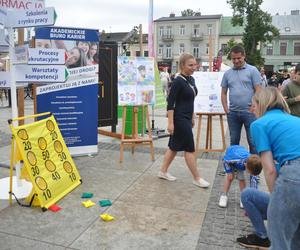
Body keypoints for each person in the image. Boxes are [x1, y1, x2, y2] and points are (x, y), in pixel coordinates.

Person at [250, 87, 300, 250]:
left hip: (294, 174)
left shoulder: (259, 124)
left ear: (261, 104)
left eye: (254, 106)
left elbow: (269, 169)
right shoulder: (294, 119)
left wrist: (275, 198)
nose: (252, 110)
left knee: (279, 241)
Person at [158, 53, 209, 188]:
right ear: (182, 65)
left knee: (173, 147)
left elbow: (190, 100)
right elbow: (170, 104)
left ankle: (163, 171)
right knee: (190, 148)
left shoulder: (191, 80)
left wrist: (192, 116)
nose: (194, 67)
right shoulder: (178, 81)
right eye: (190, 65)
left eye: (194, 64)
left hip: (186, 117)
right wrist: (170, 123)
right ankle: (197, 178)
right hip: (179, 118)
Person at [221, 45, 261, 154]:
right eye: (234, 59)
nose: (236, 61)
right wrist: (226, 109)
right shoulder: (227, 73)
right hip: (233, 113)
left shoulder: (253, 70)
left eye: (239, 58)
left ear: (244, 56)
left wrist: (254, 106)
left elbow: (259, 90)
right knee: (233, 141)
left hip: (250, 113)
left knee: (252, 141)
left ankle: (254, 167)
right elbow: (223, 92)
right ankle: (234, 164)